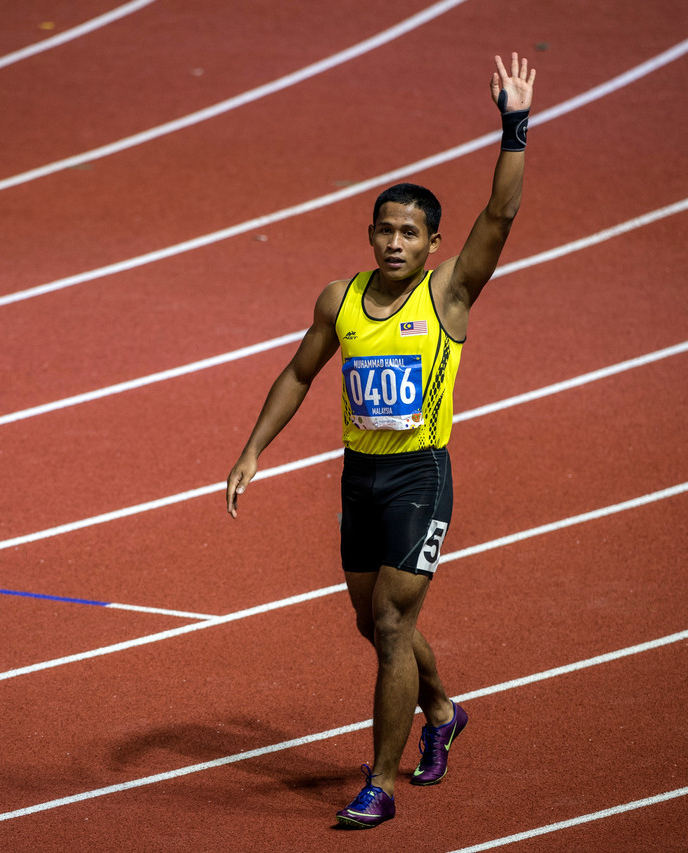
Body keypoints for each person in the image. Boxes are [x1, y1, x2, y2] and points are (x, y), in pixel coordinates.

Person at [224, 53, 535, 828]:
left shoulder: (450, 294)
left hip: (419, 477)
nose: (395, 242)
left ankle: (382, 784)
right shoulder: (342, 298)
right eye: (385, 229)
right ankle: (442, 709)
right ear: (370, 233)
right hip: (357, 478)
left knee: (393, 625)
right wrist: (254, 448)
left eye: (411, 232)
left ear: (433, 244)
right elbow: (298, 374)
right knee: (374, 623)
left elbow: (498, 217)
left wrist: (515, 126)